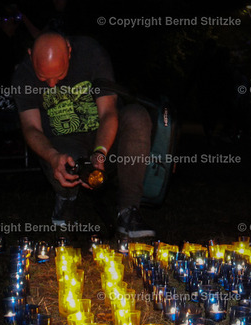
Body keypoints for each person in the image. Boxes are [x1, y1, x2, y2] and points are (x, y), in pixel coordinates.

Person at [11, 32, 155, 237]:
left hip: (103, 136)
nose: (51, 84)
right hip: (63, 143)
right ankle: (66, 199)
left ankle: (129, 210)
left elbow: (108, 112)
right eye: (43, 77)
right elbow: (30, 128)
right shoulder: (23, 74)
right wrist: (52, 156)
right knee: (65, 158)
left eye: (59, 75)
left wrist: (100, 152)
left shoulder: (91, 53)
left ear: (69, 51)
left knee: (136, 116)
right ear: (30, 54)